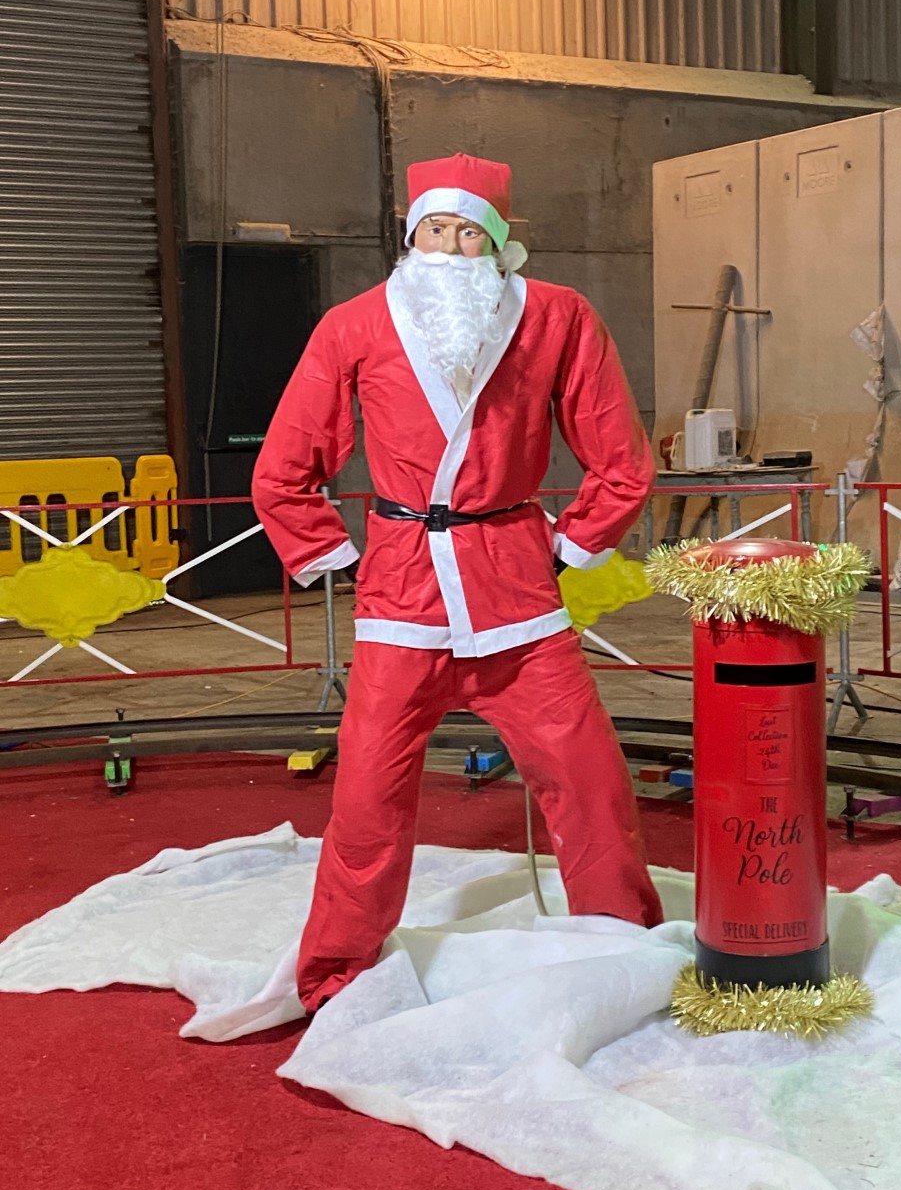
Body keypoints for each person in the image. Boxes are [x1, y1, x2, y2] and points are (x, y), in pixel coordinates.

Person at [252, 152, 664, 1013]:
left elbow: (621, 461)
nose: (449, 246)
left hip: (516, 592)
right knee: (365, 799)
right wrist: (339, 555)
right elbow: (285, 468)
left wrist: (573, 544)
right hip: (402, 597)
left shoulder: (559, 317)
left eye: (469, 231)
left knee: (590, 780)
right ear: (411, 237)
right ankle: (336, 972)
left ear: (499, 243)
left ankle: (623, 948)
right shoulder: (354, 325)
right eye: (434, 229)